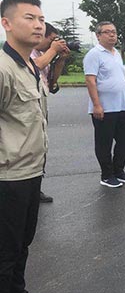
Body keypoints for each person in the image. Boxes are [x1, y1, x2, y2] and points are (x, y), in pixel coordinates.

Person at [0, 0, 54, 293]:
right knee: (5, 251)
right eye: (29, 18)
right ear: (6, 23)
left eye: (41, 19)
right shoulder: (3, 68)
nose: (38, 25)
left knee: (22, 243)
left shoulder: (30, 66)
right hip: (8, 178)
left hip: (31, 172)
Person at [83, 21, 125, 188]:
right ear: (98, 35)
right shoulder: (94, 54)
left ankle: (118, 170)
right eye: (107, 32)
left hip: (122, 106)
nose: (112, 35)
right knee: (104, 143)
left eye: (114, 31)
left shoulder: (116, 53)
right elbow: (90, 80)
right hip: (104, 107)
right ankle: (106, 175)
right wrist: (96, 105)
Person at [30, 22, 70, 203]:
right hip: (29, 107)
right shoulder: (29, 53)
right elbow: (34, 66)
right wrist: (53, 50)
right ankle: (27, 190)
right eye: (52, 39)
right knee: (29, 148)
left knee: (41, 147)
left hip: (42, 105)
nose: (55, 43)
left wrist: (61, 59)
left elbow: (52, 82)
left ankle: (36, 189)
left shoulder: (43, 55)